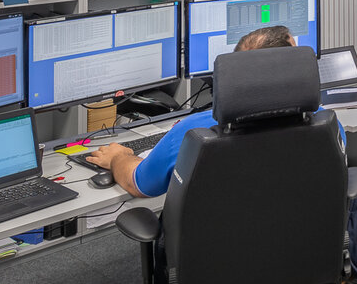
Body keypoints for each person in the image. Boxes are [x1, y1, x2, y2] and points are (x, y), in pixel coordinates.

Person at [86, 24, 295, 197]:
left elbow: (138, 184)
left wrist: (116, 158)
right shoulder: (320, 121)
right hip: (299, 240)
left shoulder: (195, 131)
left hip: (219, 243)